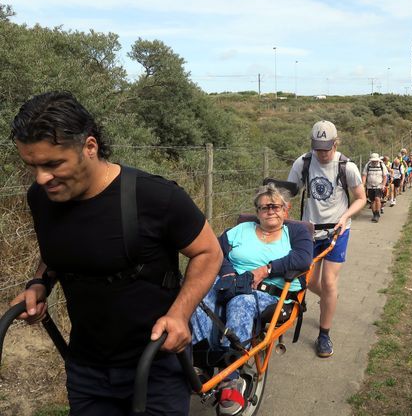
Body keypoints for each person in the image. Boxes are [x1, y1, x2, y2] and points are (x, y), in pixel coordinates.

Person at [9, 91, 223, 415]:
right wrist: (38, 283)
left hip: (155, 365)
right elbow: (56, 252)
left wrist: (180, 313)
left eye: (53, 164)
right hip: (86, 369)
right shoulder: (42, 198)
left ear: (89, 147)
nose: (41, 178)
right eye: (32, 166)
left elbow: (208, 251)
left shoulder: (154, 197)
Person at [191, 182, 313, 415]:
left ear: (286, 210)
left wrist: (266, 269)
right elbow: (215, 251)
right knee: (199, 294)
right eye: (264, 207)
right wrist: (227, 273)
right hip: (231, 284)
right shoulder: (241, 230)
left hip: (268, 292)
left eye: (275, 206)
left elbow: (303, 259)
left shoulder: (295, 232)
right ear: (257, 211)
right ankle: (202, 362)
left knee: (242, 302)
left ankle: (231, 374)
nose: (270, 211)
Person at [287, 121, 366, 358]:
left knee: (329, 283)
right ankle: (329, 300)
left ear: (336, 143)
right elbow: (289, 191)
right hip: (309, 231)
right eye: (318, 148)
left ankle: (324, 334)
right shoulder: (303, 163)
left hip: (337, 230)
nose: (322, 154)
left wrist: (345, 217)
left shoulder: (346, 166)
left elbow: (361, 198)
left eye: (326, 148)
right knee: (308, 281)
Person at [362, 152, 388, 223]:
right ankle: (374, 214)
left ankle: (377, 213)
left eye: (375, 160)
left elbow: (385, 176)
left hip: (379, 186)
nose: (374, 161)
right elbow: (364, 175)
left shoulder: (382, 165)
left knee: (377, 199)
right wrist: (363, 185)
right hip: (369, 186)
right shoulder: (368, 165)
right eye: (373, 160)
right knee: (372, 201)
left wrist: (383, 185)